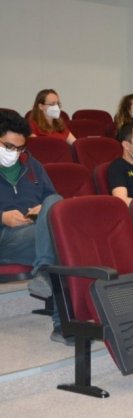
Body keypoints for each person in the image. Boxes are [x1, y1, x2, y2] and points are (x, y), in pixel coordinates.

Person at [0, 111, 66, 344]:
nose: (15, 153)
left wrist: (40, 209)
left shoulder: (31, 164)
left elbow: (51, 197)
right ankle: (63, 326)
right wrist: (2, 217)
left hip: (36, 233)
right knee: (63, 244)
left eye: (20, 148)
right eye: (9, 146)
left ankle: (44, 268)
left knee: (56, 202)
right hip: (5, 238)